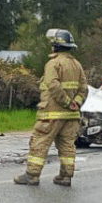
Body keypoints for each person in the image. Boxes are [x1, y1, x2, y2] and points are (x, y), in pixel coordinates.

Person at [14, 28, 88, 187]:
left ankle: (32, 175)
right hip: (71, 116)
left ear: (56, 46)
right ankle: (66, 177)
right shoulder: (77, 65)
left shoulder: (52, 64)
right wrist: (76, 103)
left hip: (51, 114)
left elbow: (53, 86)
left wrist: (67, 102)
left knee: (39, 143)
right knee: (67, 146)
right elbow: (84, 88)